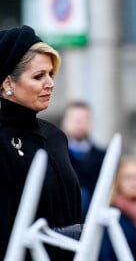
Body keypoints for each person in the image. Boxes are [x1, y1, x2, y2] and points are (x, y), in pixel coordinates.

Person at [0, 25, 82, 260]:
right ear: (7, 84)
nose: (50, 83)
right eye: (38, 76)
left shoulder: (55, 136)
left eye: (50, 74)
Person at [61, 101, 106, 222]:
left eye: (84, 119)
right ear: (64, 123)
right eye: (74, 119)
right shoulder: (54, 156)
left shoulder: (104, 156)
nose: (79, 123)